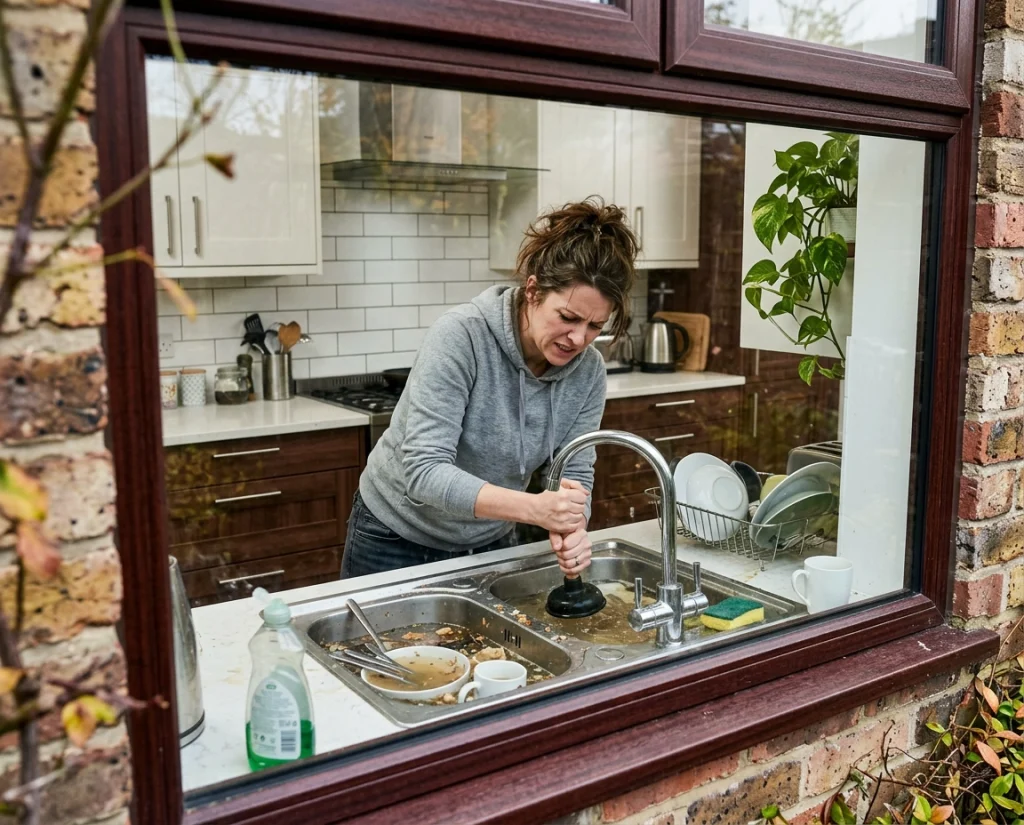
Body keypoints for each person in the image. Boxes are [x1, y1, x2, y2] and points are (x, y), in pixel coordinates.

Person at [340, 198, 639, 580]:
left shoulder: (588, 372)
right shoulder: (461, 336)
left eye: (596, 326)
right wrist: (534, 509)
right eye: (568, 317)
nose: (579, 338)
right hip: (394, 538)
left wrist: (573, 526)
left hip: (490, 540)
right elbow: (424, 471)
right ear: (532, 291)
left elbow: (574, 472)